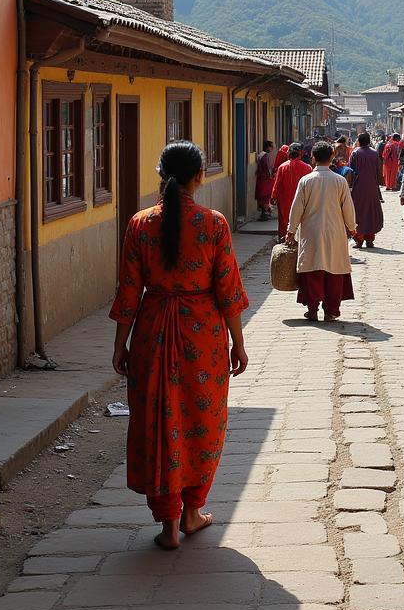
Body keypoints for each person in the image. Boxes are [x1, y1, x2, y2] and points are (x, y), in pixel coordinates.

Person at [110, 141, 249, 551]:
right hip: (201, 336)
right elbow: (228, 292)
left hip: (152, 333)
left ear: (160, 175)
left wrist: (120, 346)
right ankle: (192, 511)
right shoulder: (214, 224)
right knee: (201, 421)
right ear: (199, 176)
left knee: (157, 421)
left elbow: (129, 292)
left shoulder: (140, 224)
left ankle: (168, 523)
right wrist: (238, 344)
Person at [286, 141, 357, 321]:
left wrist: (291, 230)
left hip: (311, 233)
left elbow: (296, 208)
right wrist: (352, 227)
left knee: (312, 269)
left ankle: (312, 309)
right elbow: (348, 207)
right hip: (335, 232)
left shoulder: (306, 181)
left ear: (313, 158)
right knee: (333, 270)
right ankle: (331, 310)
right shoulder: (339, 181)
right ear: (332, 157)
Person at [349, 131, 384, 248]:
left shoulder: (355, 153)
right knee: (371, 212)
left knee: (358, 213)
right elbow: (378, 171)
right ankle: (370, 238)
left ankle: (359, 239)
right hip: (372, 187)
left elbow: (351, 171)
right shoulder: (374, 153)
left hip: (358, 187)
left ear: (359, 141)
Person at [271, 143, 312, 240]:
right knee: (302, 220)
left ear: (288, 153)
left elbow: (277, 184)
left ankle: (284, 240)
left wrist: (273, 197)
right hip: (303, 200)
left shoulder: (282, 167)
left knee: (284, 222)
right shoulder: (307, 168)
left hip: (285, 200)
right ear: (300, 153)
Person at [255, 140, 276, 220]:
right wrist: (271, 175)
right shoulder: (265, 156)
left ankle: (264, 212)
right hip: (264, 179)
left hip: (261, 179)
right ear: (267, 147)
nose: (272, 149)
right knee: (265, 196)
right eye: (271, 147)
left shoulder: (261, 155)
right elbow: (266, 168)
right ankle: (264, 213)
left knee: (262, 197)